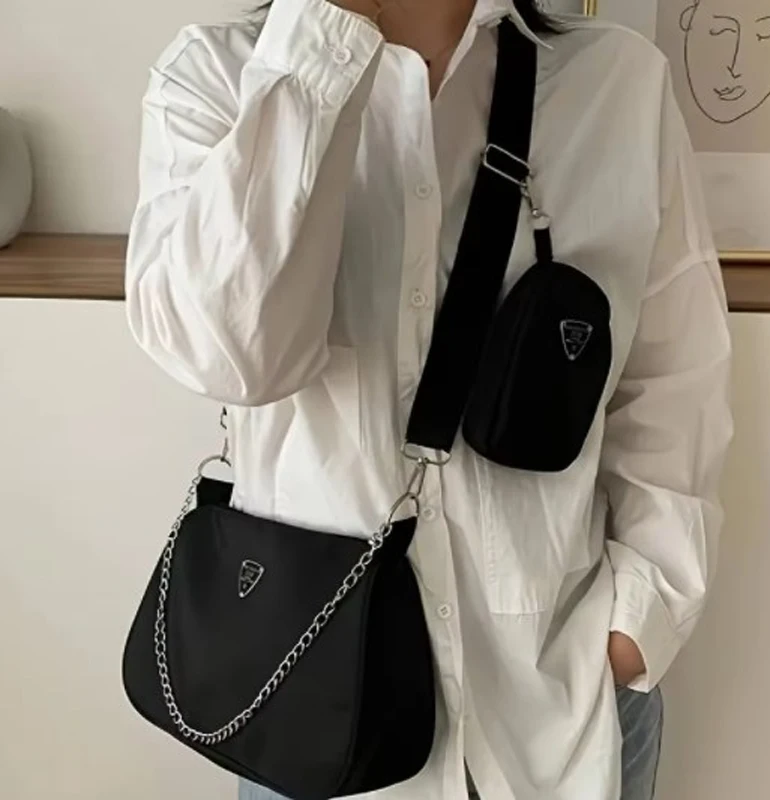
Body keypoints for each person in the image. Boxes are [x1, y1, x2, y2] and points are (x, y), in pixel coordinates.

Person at [124, 1, 733, 798]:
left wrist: (638, 624)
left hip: (563, 715)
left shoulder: (617, 83)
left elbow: (674, 376)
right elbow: (236, 355)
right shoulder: (217, 78)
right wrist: (316, 56)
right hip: (311, 720)